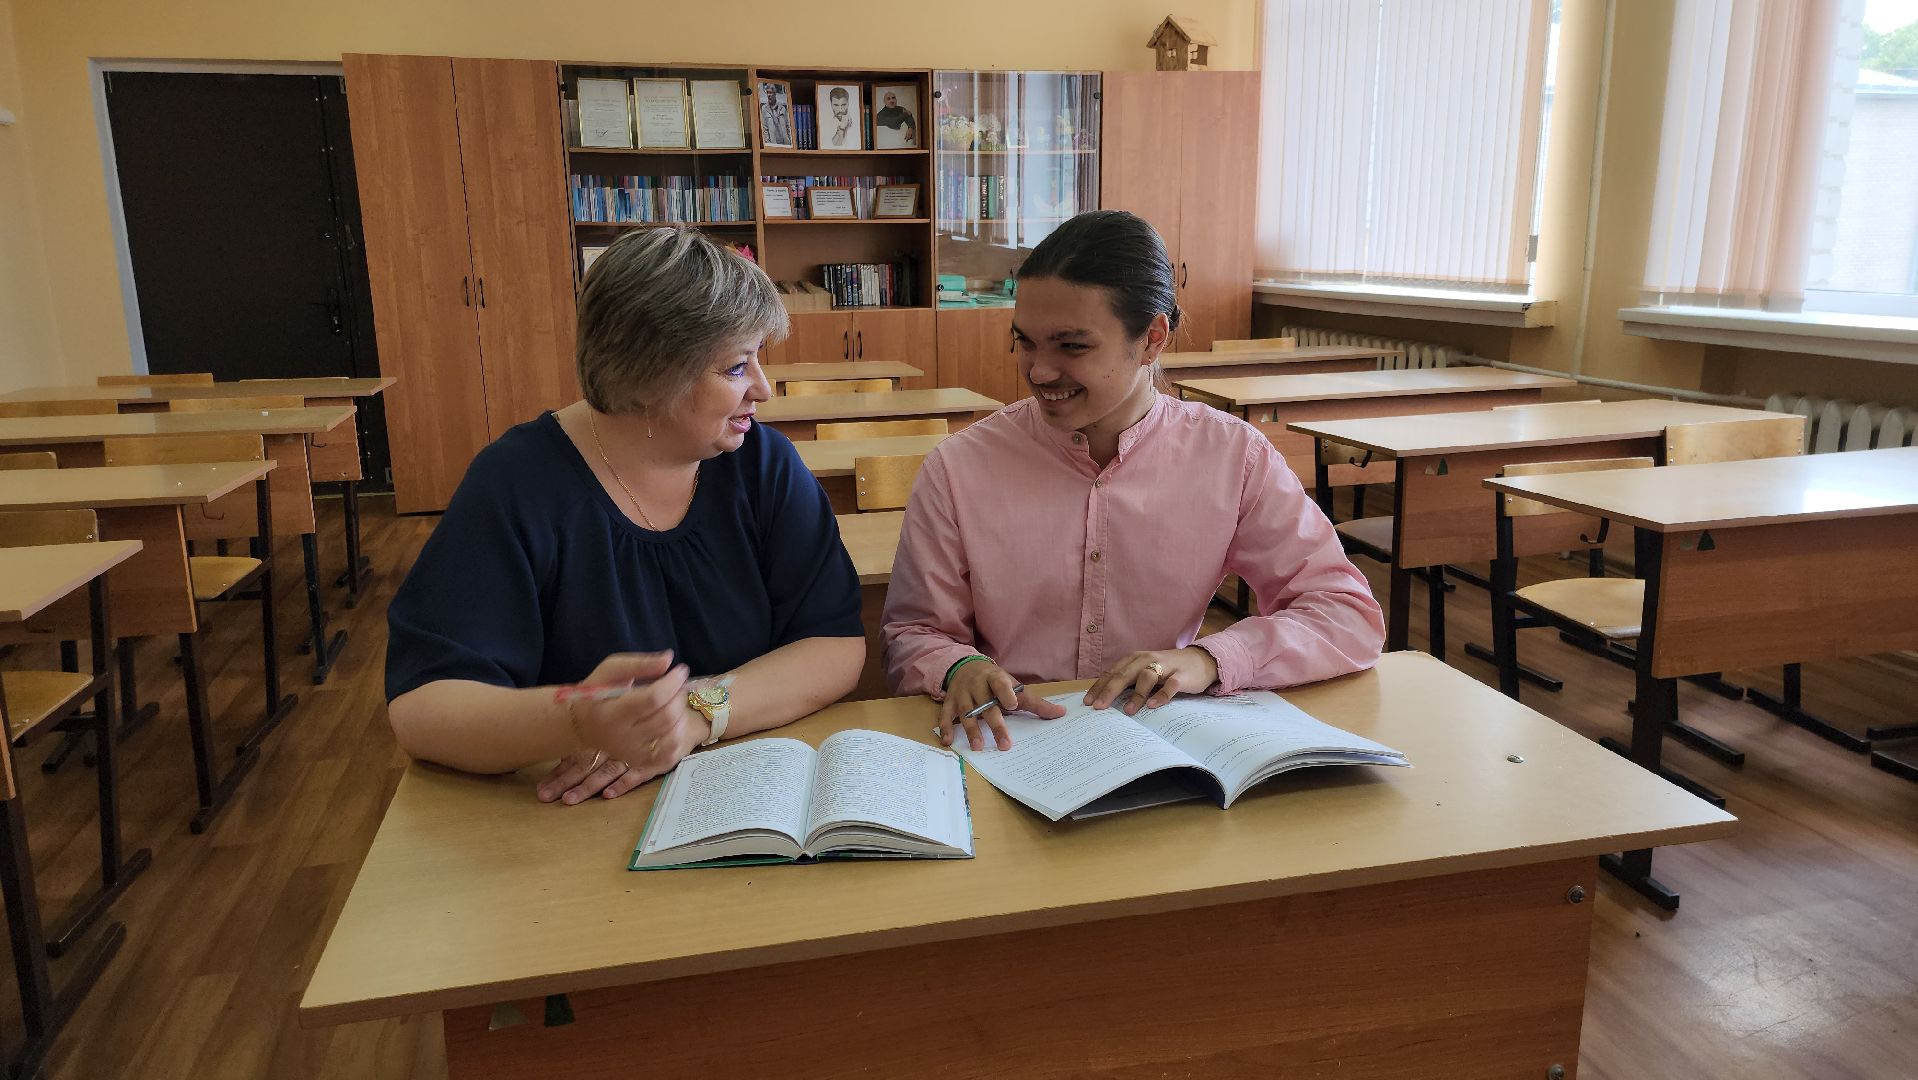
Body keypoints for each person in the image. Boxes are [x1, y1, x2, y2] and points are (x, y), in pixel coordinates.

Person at [386, 226, 866, 804]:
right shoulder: (517, 483)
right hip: (568, 809)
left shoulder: (762, 464)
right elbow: (423, 708)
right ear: (650, 375)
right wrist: (578, 721)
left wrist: (692, 717)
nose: (763, 389)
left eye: (758, 358)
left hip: (746, 790)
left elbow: (834, 644)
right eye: (736, 367)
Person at [882, 210, 1385, 751]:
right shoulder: (959, 468)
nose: (1038, 371)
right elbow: (914, 633)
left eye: (1072, 346)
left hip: (1161, 739)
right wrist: (960, 667)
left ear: (1151, 339)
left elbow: (1344, 613)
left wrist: (1209, 659)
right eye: (1025, 341)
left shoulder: (1232, 457)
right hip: (1010, 740)